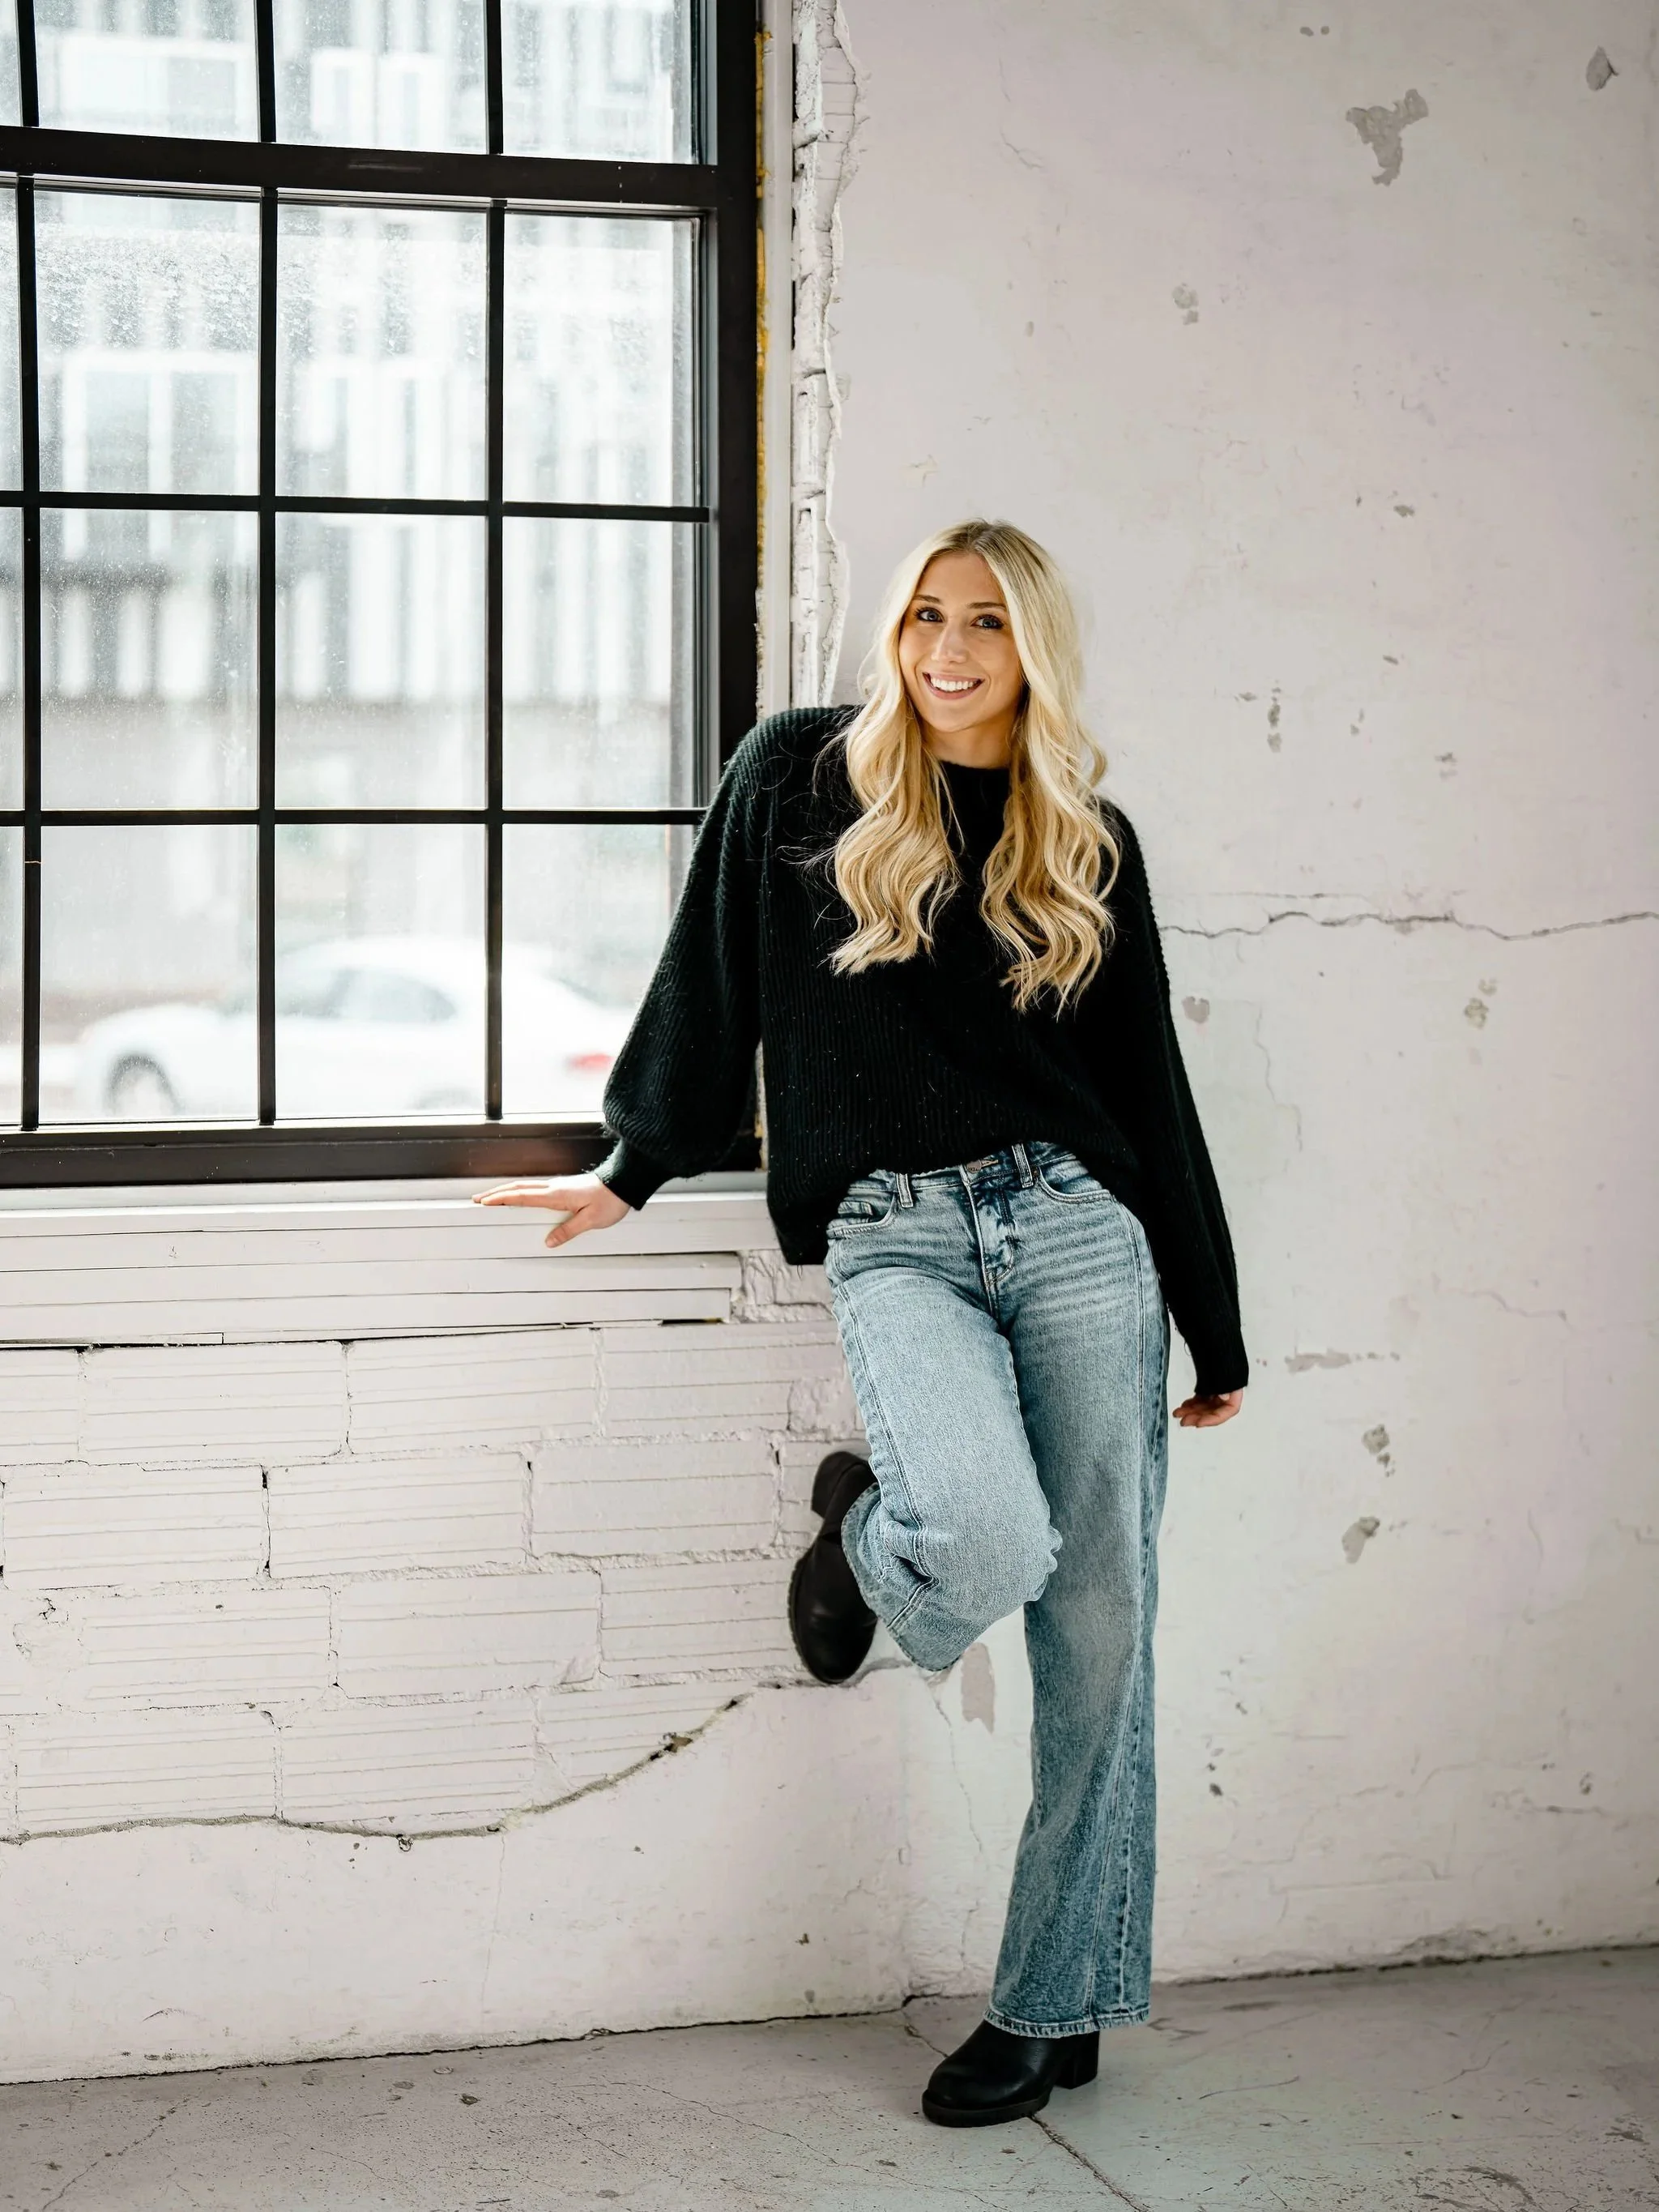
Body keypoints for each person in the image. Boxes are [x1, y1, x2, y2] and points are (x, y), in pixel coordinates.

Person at [477, 519, 1246, 2128]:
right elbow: (711, 979)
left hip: (1078, 1228)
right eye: (923, 614)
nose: (948, 647)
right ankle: (860, 1545)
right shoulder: (799, 774)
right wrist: (633, 1160)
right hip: (894, 1236)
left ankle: (1054, 2002)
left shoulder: (1082, 838)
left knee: (1101, 1631)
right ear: (893, 627)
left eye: (984, 622)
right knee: (977, 1535)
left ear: (1033, 648)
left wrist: (1212, 1320)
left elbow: (1145, 1089)